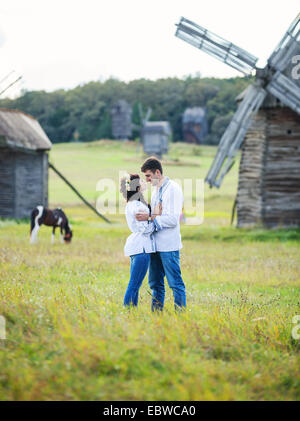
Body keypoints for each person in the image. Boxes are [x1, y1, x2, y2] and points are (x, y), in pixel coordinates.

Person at [136, 157, 186, 312]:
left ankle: (181, 316)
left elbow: (172, 219)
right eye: (146, 177)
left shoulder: (173, 188)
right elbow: (156, 213)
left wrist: (151, 217)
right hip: (154, 245)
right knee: (155, 284)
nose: (148, 180)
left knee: (175, 283)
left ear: (158, 172)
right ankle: (156, 317)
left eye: (149, 176)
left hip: (168, 246)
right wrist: (155, 213)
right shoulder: (156, 190)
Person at [121, 174, 162, 307]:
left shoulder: (132, 203)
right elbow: (145, 229)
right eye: (142, 181)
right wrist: (155, 218)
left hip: (137, 247)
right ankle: (129, 312)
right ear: (138, 187)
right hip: (141, 248)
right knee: (134, 284)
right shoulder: (138, 205)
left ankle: (130, 312)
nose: (145, 182)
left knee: (134, 284)